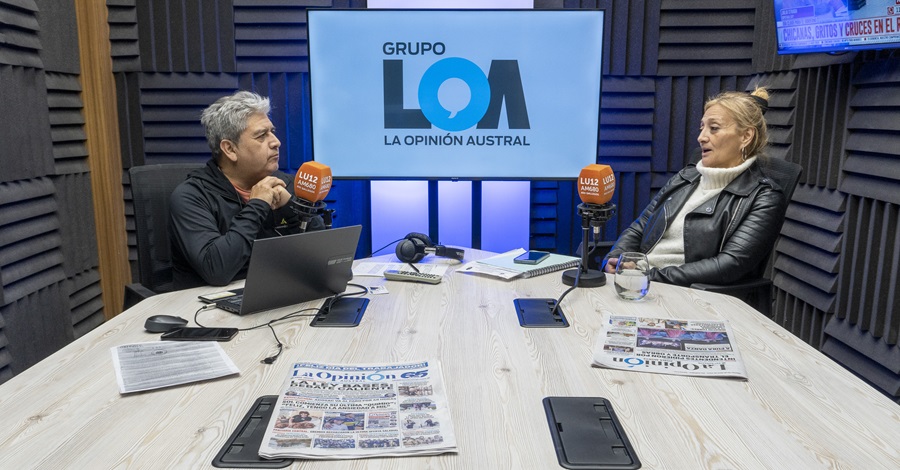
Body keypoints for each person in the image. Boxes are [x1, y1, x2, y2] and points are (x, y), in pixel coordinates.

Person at [603, 88, 789, 287]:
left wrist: (648, 275)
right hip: (639, 282)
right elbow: (640, 227)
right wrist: (616, 259)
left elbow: (729, 265)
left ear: (746, 136)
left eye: (714, 128)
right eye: (702, 128)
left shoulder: (764, 197)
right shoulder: (686, 177)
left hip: (684, 294)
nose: (701, 137)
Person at [169, 91, 324, 289]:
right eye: (261, 135)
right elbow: (217, 271)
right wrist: (257, 205)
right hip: (208, 310)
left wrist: (290, 208)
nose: (276, 141)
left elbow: (324, 260)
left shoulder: (286, 185)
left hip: (277, 295)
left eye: (272, 131)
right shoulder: (190, 197)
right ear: (230, 149)